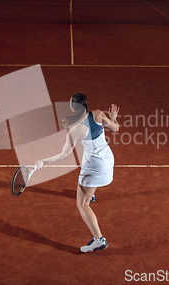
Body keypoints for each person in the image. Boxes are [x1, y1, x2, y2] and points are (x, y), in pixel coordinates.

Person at [34, 93, 119, 253]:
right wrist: (113, 117)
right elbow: (116, 127)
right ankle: (90, 193)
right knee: (88, 188)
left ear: (74, 108)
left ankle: (98, 239)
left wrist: (44, 161)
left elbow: (64, 155)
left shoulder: (76, 130)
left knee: (82, 204)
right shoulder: (99, 114)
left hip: (94, 168)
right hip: (108, 160)